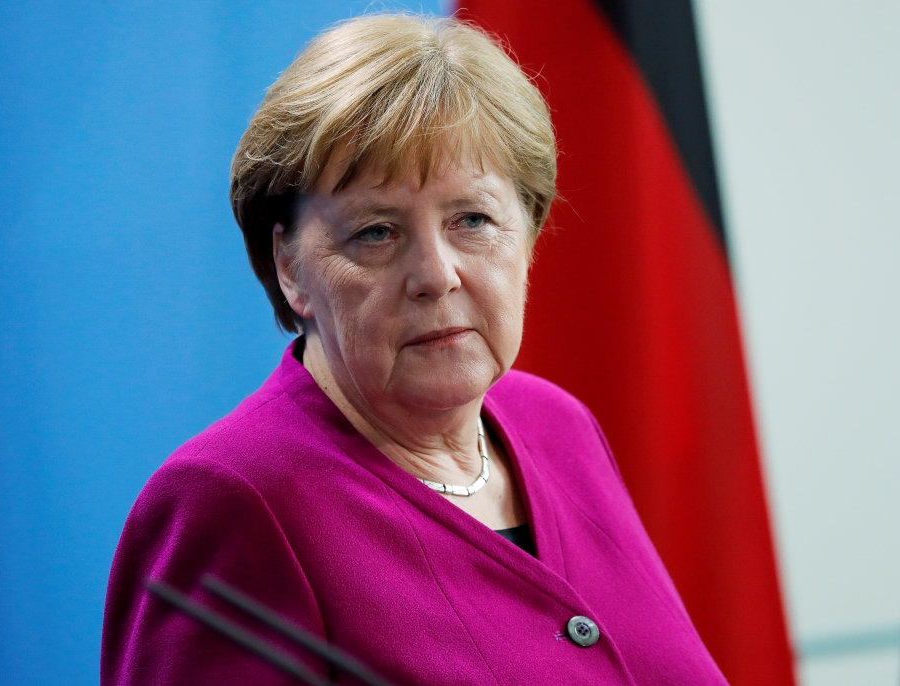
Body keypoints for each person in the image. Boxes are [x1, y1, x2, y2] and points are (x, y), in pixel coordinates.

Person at [101, 13, 728, 685]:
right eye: (376, 232)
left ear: (529, 230)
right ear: (290, 266)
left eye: (472, 220)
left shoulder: (558, 426)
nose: (436, 274)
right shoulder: (232, 501)